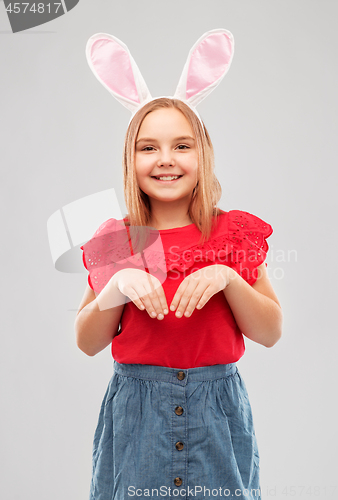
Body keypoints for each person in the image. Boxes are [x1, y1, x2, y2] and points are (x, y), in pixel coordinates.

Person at [75, 31, 283, 500]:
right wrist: (118, 285)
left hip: (217, 413)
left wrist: (229, 278)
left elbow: (270, 331)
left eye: (181, 146)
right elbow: (87, 341)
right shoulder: (119, 240)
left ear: (202, 153)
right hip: (137, 417)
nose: (165, 160)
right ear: (130, 159)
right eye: (148, 147)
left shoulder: (231, 234)